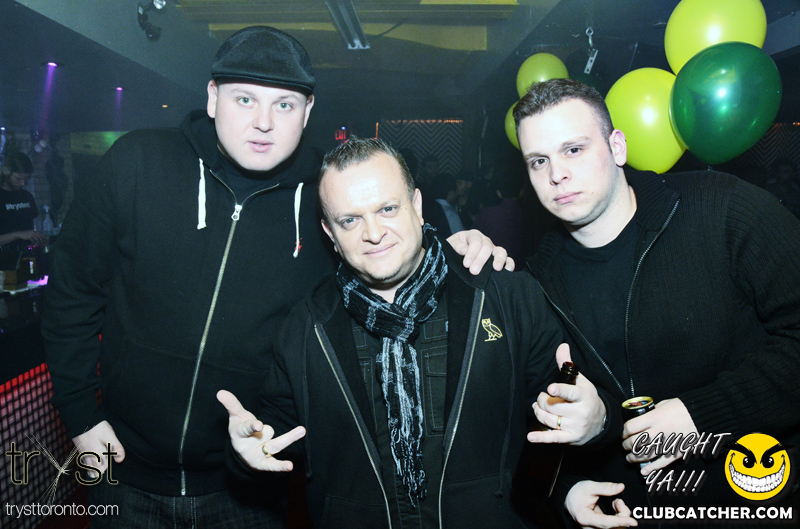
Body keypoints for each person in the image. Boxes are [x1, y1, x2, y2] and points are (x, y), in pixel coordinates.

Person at [42, 27, 509, 528]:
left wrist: (455, 249)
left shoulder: (324, 200)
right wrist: (80, 414)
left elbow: (387, 257)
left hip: (250, 483)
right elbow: (72, 292)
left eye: (284, 105)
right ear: (213, 97)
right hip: (123, 469)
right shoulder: (137, 163)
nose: (263, 122)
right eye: (245, 99)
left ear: (307, 113)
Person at [217, 137, 616, 528]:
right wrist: (249, 452)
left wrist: (588, 442)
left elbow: (558, 422)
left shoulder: (506, 297)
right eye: (350, 220)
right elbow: (279, 433)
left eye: (387, 208)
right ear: (330, 233)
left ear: (417, 206)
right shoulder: (307, 326)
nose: (373, 233)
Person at [515, 78, 800, 528]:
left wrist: (701, 415)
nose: (556, 174)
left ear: (617, 147)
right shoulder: (535, 282)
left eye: (574, 149)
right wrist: (567, 486)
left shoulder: (722, 208)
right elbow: (532, 416)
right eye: (538, 161)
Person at [0, 152, 48, 249]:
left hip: (28, 254)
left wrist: (39, 238)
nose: (22, 183)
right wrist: (18, 234)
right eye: (18, 178)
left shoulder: (27, 196)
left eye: (26, 179)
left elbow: (33, 227)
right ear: (5, 171)